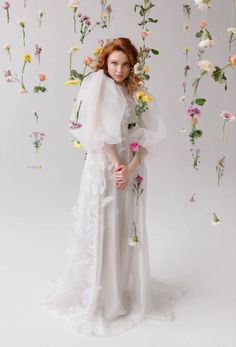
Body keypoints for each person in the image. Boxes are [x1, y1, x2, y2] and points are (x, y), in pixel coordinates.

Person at [39, 37, 184, 337]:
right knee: (104, 226)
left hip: (130, 168)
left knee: (125, 228)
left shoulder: (136, 92)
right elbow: (93, 131)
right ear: (105, 62)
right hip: (105, 166)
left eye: (125, 64)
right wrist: (118, 165)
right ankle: (104, 296)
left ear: (133, 66)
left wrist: (131, 167)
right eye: (114, 63)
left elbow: (149, 134)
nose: (119, 70)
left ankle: (122, 286)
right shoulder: (97, 86)